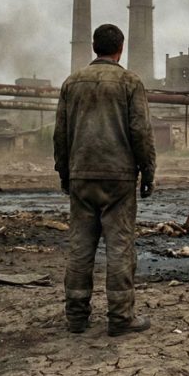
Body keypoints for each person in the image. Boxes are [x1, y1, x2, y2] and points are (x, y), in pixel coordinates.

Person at [53, 24, 156, 336]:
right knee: (120, 247)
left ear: (94, 47)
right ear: (120, 49)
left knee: (80, 247)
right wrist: (148, 171)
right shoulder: (129, 82)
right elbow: (140, 131)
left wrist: (64, 172)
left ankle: (76, 317)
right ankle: (121, 317)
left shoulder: (71, 83)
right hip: (118, 178)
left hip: (82, 175)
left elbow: (60, 134)